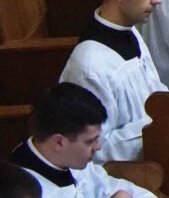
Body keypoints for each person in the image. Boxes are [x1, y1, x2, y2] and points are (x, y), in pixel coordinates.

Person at [60, 0, 167, 161]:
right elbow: (95, 149)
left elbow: (151, 91)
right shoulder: (89, 66)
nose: (158, 0)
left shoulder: (130, 29)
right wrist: (159, 122)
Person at [13, 84, 156, 198]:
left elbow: (115, 187)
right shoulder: (21, 190)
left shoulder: (71, 159)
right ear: (59, 142)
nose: (98, 147)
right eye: (90, 141)